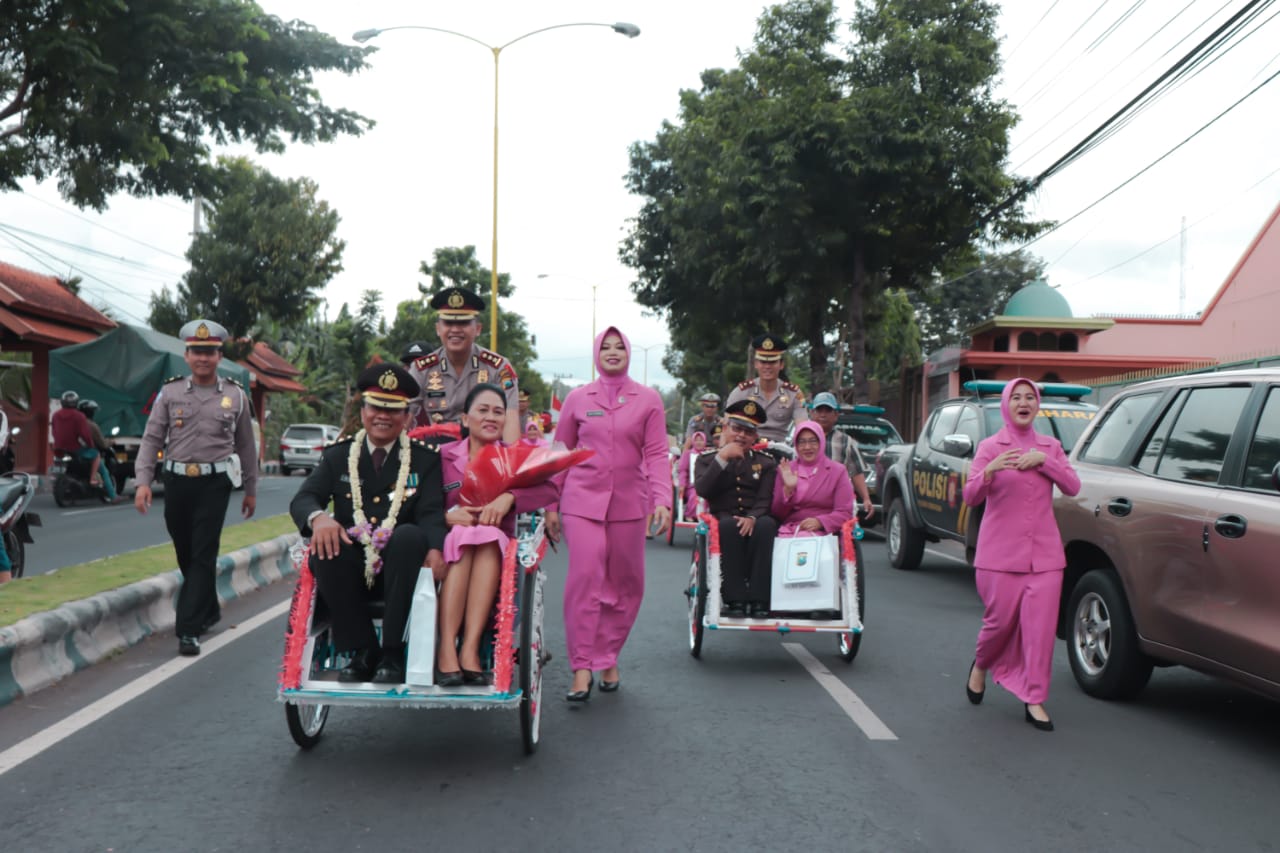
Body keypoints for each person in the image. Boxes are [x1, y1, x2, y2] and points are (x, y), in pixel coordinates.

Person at [290, 363, 447, 684]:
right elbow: (304, 498)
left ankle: (393, 653)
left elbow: (431, 512)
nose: (382, 416)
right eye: (376, 407)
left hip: (402, 566)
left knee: (408, 535)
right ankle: (363, 651)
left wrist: (435, 549)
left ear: (407, 417)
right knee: (325, 549)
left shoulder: (425, 459)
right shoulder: (338, 456)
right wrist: (319, 518)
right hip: (350, 566)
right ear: (363, 412)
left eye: (393, 410)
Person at [549, 327, 672, 701]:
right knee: (585, 578)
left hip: (629, 505)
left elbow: (656, 453)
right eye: (606, 346)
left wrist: (662, 500)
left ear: (629, 353)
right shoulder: (577, 398)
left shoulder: (648, 400)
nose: (613, 351)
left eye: (620, 347)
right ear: (596, 354)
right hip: (581, 502)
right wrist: (550, 505)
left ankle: (607, 656)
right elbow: (560, 452)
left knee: (625, 585)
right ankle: (582, 666)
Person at [962, 378, 1081, 732]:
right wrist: (990, 471)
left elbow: (1073, 487)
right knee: (999, 624)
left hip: (1045, 557)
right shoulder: (990, 447)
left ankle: (1034, 698)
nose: (1024, 402)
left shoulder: (1051, 447)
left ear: (1037, 404)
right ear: (1006, 404)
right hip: (998, 556)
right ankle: (981, 664)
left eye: (1030, 397)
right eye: (1016, 397)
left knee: (1040, 632)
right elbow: (970, 496)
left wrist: (1046, 462)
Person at [134, 320, 258, 656]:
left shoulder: (235, 395)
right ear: (186, 355)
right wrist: (143, 482)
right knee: (186, 551)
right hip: (176, 482)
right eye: (196, 352)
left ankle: (188, 629)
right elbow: (152, 438)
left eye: (210, 352)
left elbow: (246, 446)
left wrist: (251, 488)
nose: (203, 358)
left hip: (214, 483)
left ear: (220, 356)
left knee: (204, 551)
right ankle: (209, 609)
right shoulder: (170, 393)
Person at [437, 383, 560, 686]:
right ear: (465, 418)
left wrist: (510, 498)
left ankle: (469, 648)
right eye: (483, 410)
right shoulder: (442, 456)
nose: (491, 417)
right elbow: (420, 502)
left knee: (487, 538)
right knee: (465, 538)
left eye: (498, 412)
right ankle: (446, 647)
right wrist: (447, 517)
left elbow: (550, 489)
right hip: (447, 539)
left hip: (496, 545)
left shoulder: (514, 456)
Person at [694, 398, 778, 618]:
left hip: (755, 516)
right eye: (737, 429)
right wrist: (722, 458)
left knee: (767, 526)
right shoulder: (707, 459)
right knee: (728, 527)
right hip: (724, 516)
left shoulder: (766, 462)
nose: (741, 436)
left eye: (748, 432)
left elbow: (765, 498)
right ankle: (735, 599)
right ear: (726, 429)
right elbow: (702, 490)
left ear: (755, 436)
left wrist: (752, 517)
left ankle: (760, 599)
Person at [405, 286, 521, 443]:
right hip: (438, 450)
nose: (455, 330)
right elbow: (404, 415)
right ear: (438, 329)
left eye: (463, 323)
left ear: (477, 329)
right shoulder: (422, 369)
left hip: (484, 449)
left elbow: (510, 417)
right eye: (448, 323)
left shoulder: (498, 367)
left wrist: (510, 456)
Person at [771, 420, 853, 536]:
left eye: (813, 441)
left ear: (821, 442)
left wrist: (821, 522)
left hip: (825, 532)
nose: (807, 447)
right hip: (790, 531)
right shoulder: (786, 470)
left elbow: (845, 512)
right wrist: (788, 490)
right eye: (802, 442)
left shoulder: (838, 471)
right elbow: (777, 514)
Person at [725, 334, 806, 443]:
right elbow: (727, 426)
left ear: (781, 365)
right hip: (747, 446)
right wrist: (723, 451)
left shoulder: (794, 393)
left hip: (779, 447)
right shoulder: (741, 392)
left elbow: (802, 427)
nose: (767, 366)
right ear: (756, 364)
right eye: (763, 362)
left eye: (772, 362)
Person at [808, 392, 874, 520]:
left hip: (837, 501)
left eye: (828, 410)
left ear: (836, 415)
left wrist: (866, 498)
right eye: (819, 410)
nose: (823, 415)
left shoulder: (846, 441)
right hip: (807, 500)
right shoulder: (802, 439)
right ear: (812, 413)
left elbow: (856, 472)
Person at [51, 390, 104, 492]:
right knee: (96, 455)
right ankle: (92, 478)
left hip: (59, 448)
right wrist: (91, 445)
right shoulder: (79, 416)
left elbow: (54, 431)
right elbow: (85, 434)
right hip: (74, 448)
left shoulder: (55, 415)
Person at [77, 399, 122, 503]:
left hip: (74, 451)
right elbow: (102, 443)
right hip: (86, 451)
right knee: (104, 471)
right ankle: (113, 496)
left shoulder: (76, 422)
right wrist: (111, 442)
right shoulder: (91, 425)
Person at [677, 430, 708, 519]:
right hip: (692, 486)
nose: (699, 442)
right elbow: (683, 470)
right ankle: (689, 515)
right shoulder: (688, 454)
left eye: (701, 440)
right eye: (696, 440)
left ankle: (705, 517)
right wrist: (682, 485)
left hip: (706, 485)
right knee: (694, 497)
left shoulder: (708, 453)